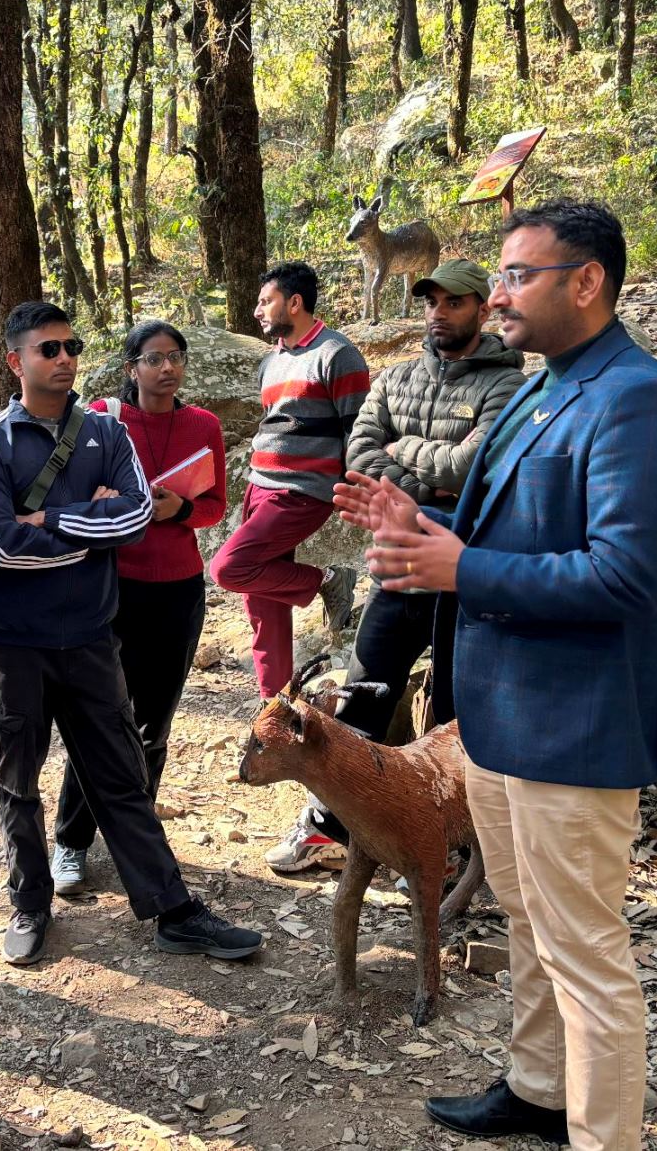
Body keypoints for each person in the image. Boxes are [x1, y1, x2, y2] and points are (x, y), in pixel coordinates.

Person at [335, 201, 657, 1151]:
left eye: (516, 276)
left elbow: (623, 577)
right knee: (527, 920)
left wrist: (461, 569)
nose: (495, 293)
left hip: (573, 726)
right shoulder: (543, 388)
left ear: (586, 281)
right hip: (499, 720)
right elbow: (502, 532)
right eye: (497, 275)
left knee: (583, 951)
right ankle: (539, 1088)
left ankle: (602, 1133)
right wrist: (422, 530)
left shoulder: (638, 401)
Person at [0, 301, 262, 967]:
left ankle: (170, 908)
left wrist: (48, 519)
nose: (64, 357)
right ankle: (30, 900)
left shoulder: (103, 433)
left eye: (70, 345)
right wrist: (84, 524)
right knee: (17, 777)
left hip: (91, 635)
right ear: (16, 361)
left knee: (121, 773)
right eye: (48, 348)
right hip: (15, 641)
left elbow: (132, 520)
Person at [266, 259, 524, 873]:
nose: (438, 312)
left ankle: (457, 843)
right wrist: (412, 491)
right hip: (393, 566)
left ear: (481, 309)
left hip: (463, 570)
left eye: (454, 302)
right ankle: (329, 828)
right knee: (362, 696)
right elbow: (358, 450)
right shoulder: (397, 378)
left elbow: (476, 468)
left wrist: (400, 453)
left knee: (458, 710)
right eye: (430, 301)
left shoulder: (508, 387)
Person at [51, 320, 227, 895]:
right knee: (98, 715)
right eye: (154, 358)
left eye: (175, 356)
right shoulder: (103, 419)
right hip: (112, 585)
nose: (167, 367)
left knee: (154, 719)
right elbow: (73, 491)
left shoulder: (203, 425)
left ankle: (136, 837)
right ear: (132, 369)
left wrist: (178, 509)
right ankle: (71, 842)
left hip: (178, 586)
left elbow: (216, 507)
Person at [210, 260, 369, 699]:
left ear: (294, 302)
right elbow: (274, 426)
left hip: (302, 492)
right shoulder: (272, 361)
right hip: (260, 487)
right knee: (262, 600)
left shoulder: (337, 354)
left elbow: (359, 429)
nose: (258, 311)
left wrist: (355, 490)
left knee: (229, 568)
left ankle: (327, 580)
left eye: (266, 301)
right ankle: (275, 703)